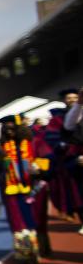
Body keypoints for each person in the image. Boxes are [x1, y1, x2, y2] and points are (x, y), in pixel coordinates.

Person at [0, 115, 46, 262]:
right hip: (11, 191)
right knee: (18, 221)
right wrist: (2, 163)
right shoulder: (0, 149)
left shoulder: (33, 143)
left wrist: (39, 168)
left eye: (12, 128)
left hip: (33, 188)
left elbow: (46, 157)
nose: (9, 131)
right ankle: (26, 254)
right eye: (6, 129)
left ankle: (42, 249)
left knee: (37, 218)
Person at [44, 88, 83, 231]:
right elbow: (55, 139)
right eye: (69, 98)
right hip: (70, 163)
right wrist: (66, 148)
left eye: (75, 97)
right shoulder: (58, 120)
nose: (72, 100)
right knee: (77, 195)